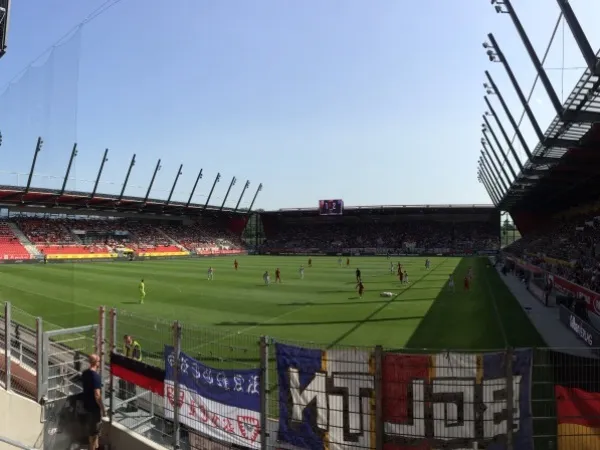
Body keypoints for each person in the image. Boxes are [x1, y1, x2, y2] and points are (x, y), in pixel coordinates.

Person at [82, 354, 105, 450]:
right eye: (99, 361)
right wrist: (103, 408)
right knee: (94, 433)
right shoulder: (96, 376)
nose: (100, 363)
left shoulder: (85, 373)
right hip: (94, 408)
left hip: (86, 405)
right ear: (96, 362)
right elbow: (97, 395)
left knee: (93, 432)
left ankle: (96, 447)